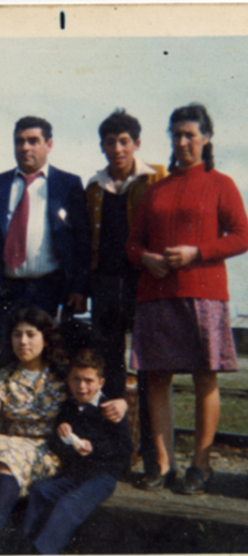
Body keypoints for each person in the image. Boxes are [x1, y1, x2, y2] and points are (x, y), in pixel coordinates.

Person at [127, 103, 248, 494]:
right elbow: (133, 242)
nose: (182, 142)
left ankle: (201, 464)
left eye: (190, 135)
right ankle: (162, 464)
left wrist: (197, 253)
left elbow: (242, 235)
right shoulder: (155, 188)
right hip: (155, 294)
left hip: (203, 293)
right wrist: (145, 257)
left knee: (204, 376)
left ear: (206, 137)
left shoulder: (221, 184)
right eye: (176, 135)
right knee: (157, 378)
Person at [0, 307, 127, 555]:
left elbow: (94, 393)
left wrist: (122, 402)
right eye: (17, 334)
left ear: (45, 338)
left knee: (6, 460)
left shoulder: (62, 375)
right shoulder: (2, 375)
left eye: (31, 334)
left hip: (49, 449)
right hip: (11, 444)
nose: (23, 341)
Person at [0, 116, 91, 350]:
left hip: (50, 288)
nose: (25, 147)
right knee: (7, 353)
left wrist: (80, 288)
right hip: (4, 288)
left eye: (33, 141)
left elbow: (82, 241)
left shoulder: (68, 184)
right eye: (19, 141)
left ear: (49, 145)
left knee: (50, 354)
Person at [85, 109, 166, 472]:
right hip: (105, 285)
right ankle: (116, 453)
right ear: (102, 146)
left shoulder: (156, 179)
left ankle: (152, 454)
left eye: (123, 141)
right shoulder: (94, 186)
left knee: (149, 370)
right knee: (110, 370)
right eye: (109, 142)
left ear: (136, 143)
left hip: (144, 283)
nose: (116, 149)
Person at [20, 349, 132, 554]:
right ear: (68, 380)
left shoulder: (110, 409)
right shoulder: (68, 406)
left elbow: (124, 450)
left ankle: (43, 553)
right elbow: (56, 444)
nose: (81, 387)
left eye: (88, 381)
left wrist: (94, 448)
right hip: (75, 473)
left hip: (101, 476)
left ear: (100, 383)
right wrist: (63, 436)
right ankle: (25, 546)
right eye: (76, 380)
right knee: (40, 491)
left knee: (67, 506)